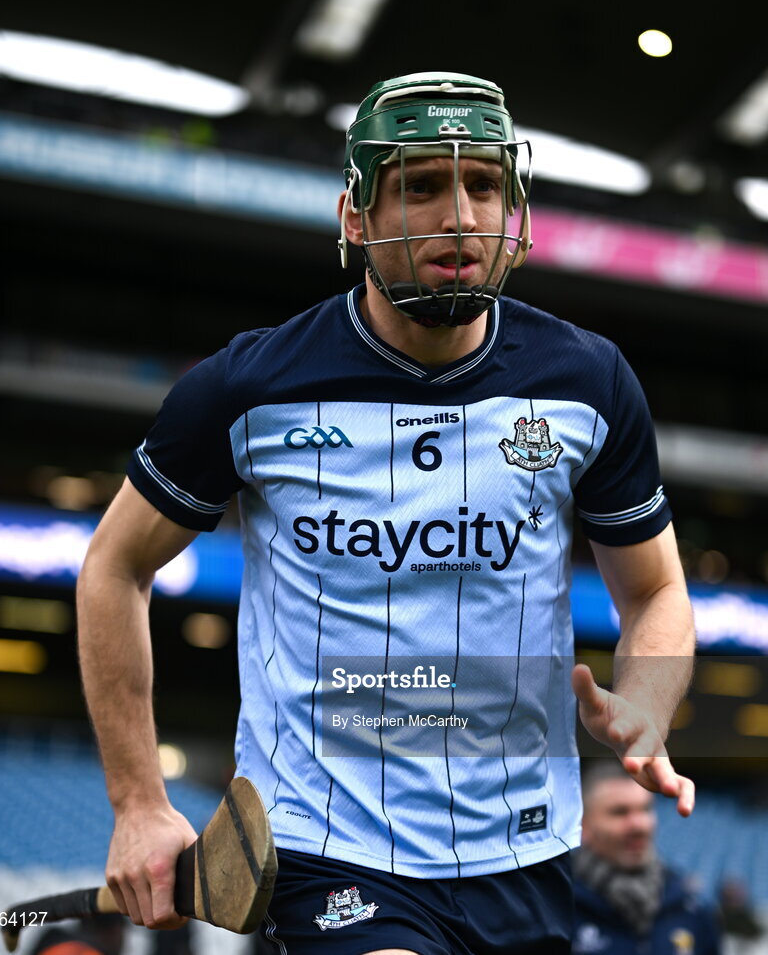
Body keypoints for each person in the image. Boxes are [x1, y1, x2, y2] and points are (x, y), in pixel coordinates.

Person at [77, 72, 697, 955]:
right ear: (355, 216)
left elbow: (657, 590)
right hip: (328, 846)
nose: (460, 216)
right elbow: (114, 565)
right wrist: (138, 802)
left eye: (483, 184)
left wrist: (647, 698)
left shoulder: (588, 381)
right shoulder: (249, 386)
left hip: (526, 847)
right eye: (421, 185)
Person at [572, 761, 720, 954]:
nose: (639, 825)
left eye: (645, 809)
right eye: (620, 812)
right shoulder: (558, 905)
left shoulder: (690, 905)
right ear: (583, 824)